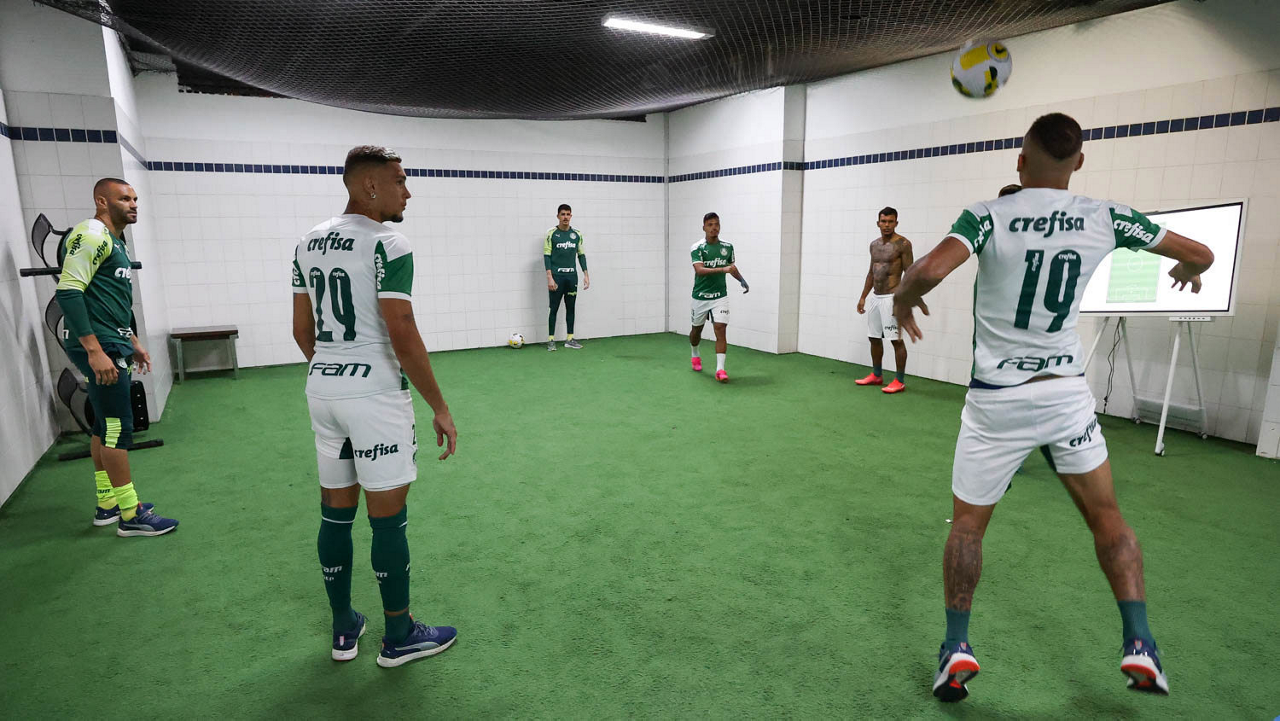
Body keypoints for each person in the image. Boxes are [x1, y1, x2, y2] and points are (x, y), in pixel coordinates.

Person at [893, 113, 1213, 701]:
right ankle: (1140, 643)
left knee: (967, 526)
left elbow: (928, 270)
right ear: (1079, 162)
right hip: (1065, 395)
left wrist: (903, 300)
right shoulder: (1106, 215)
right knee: (1107, 518)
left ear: (1020, 160)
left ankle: (956, 647)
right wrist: (1188, 267)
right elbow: (1202, 253)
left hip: (997, 400)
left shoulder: (986, 215)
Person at [292, 145, 459, 667]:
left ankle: (344, 627)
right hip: (375, 397)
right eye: (399, 181)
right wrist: (439, 406)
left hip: (323, 391)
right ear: (369, 186)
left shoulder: (307, 242)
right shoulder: (389, 242)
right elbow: (401, 329)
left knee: (335, 512)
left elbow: (301, 330)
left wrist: (335, 371)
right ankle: (399, 636)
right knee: (387, 520)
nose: (407, 191)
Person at [55, 177, 175, 536]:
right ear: (102, 201)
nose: (133, 204)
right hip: (100, 345)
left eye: (135, 198)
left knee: (104, 425)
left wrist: (133, 341)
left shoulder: (114, 240)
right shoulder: (92, 234)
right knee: (117, 428)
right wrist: (95, 351)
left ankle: (108, 503)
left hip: (111, 340)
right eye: (124, 198)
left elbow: (110, 300)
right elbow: (69, 291)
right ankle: (130, 513)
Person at [855, 207, 913, 393]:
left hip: (892, 297)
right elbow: (871, 273)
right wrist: (863, 297)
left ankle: (899, 380)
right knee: (873, 337)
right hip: (876, 297)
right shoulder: (874, 245)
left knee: (896, 340)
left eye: (890, 221)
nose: (887, 225)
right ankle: (877, 375)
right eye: (883, 221)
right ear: (878, 223)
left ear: (896, 223)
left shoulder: (903, 244)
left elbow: (910, 273)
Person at [688, 212, 748, 382]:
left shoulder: (727, 247)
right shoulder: (697, 247)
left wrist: (741, 280)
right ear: (704, 228)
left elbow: (731, 267)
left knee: (720, 329)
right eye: (710, 225)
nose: (714, 228)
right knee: (696, 331)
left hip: (720, 296)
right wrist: (722, 269)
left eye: (717, 224)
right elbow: (699, 270)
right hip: (700, 296)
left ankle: (720, 370)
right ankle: (695, 353)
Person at [544, 204, 589, 350]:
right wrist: (549, 277)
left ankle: (570, 339)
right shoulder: (551, 233)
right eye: (563, 214)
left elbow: (581, 255)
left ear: (571, 216)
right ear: (558, 216)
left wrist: (586, 275)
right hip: (557, 277)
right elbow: (547, 256)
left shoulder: (577, 234)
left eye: (568, 214)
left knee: (571, 307)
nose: (565, 217)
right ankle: (551, 340)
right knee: (554, 308)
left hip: (571, 277)